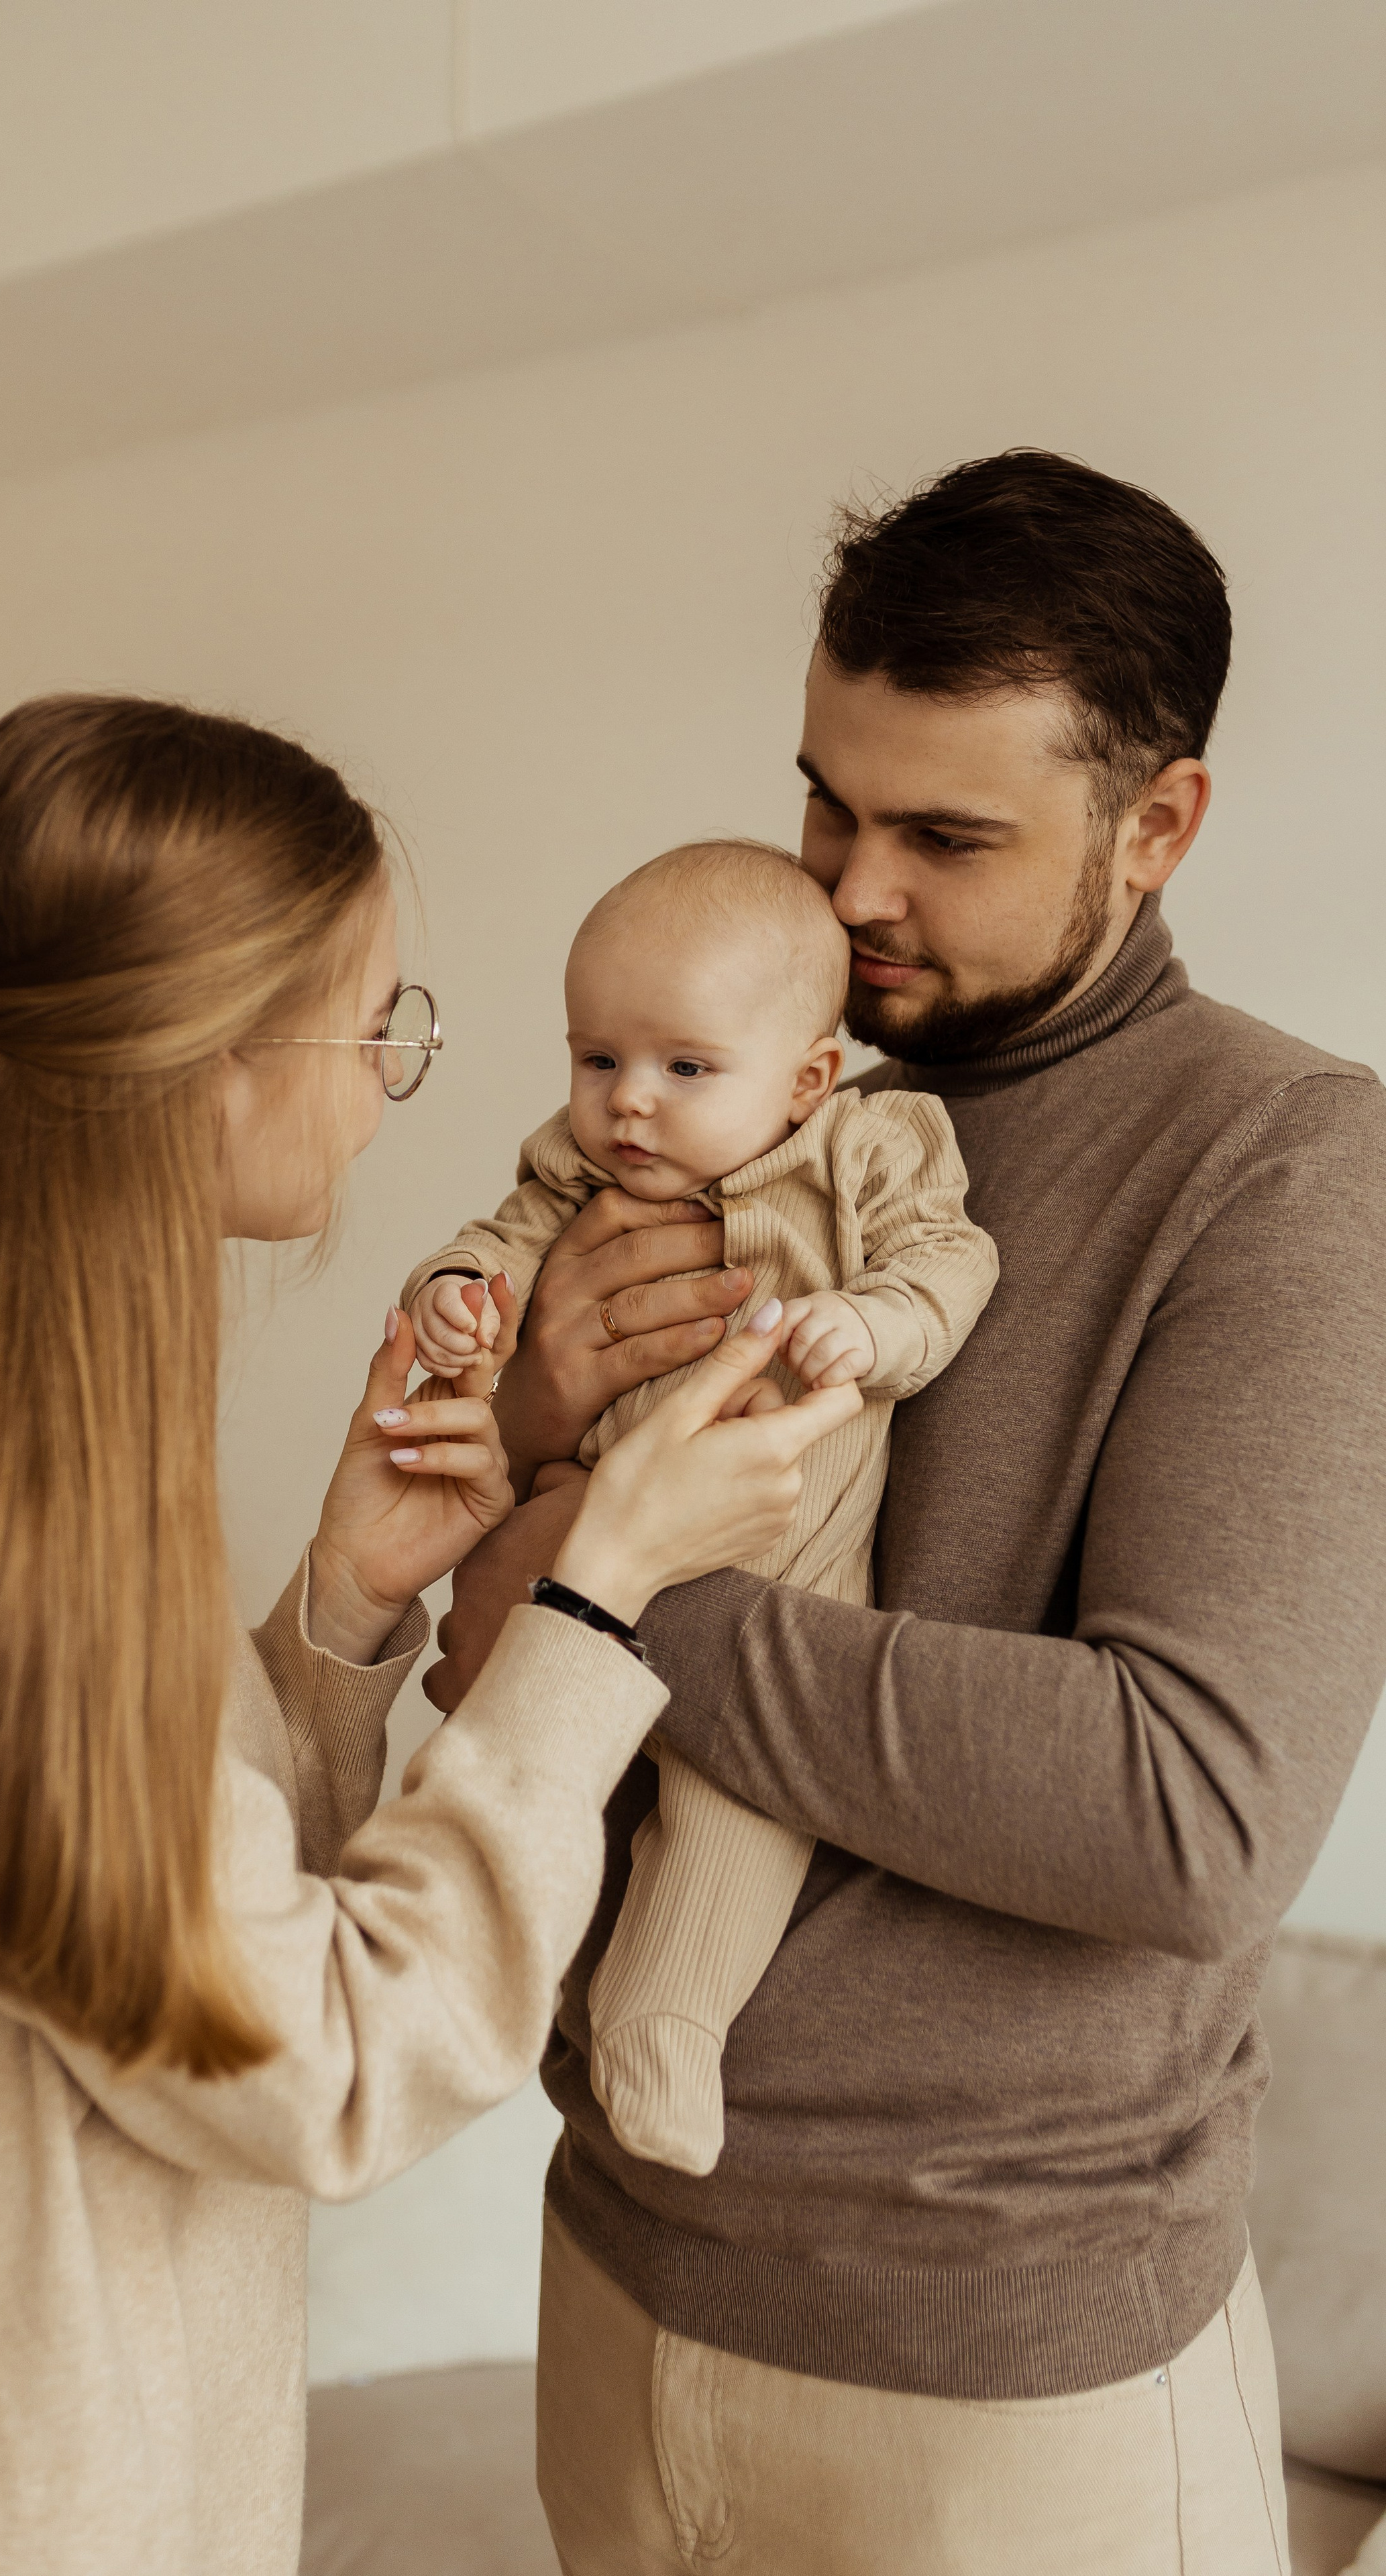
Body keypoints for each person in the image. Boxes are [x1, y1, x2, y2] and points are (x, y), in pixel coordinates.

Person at [0, 695, 861, 2575]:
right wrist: (590, 1596)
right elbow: (332, 2056)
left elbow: (112, 1922)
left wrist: (340, 1607)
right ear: (228, 1056)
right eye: (382, 1018)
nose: (392, 1076)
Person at [427, 453, 1386, 2573]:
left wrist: (597, 1585)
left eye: (945, 835)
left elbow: (1184, 1811)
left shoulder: (1290, 1168)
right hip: (609, 2252)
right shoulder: (715, 1087)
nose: (850, 894)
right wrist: (527, 1417)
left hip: (1006, 2384)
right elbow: (473, 1656)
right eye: (825, 803)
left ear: (1158, 825)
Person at [401, 839, 994, 2176]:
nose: (629, 1105)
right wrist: (457, 1288)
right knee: (508, 1787)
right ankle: (469, 1979)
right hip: (585, 1557)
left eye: (683, 1067)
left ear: (806, 1076)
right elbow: (499, 1238)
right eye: (597, 1058)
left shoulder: (870, 1146)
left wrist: (869, 1320)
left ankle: (662, 2020)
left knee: (731, 1819)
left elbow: (950, 1261)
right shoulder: (576, 1171)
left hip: (780, 1565)